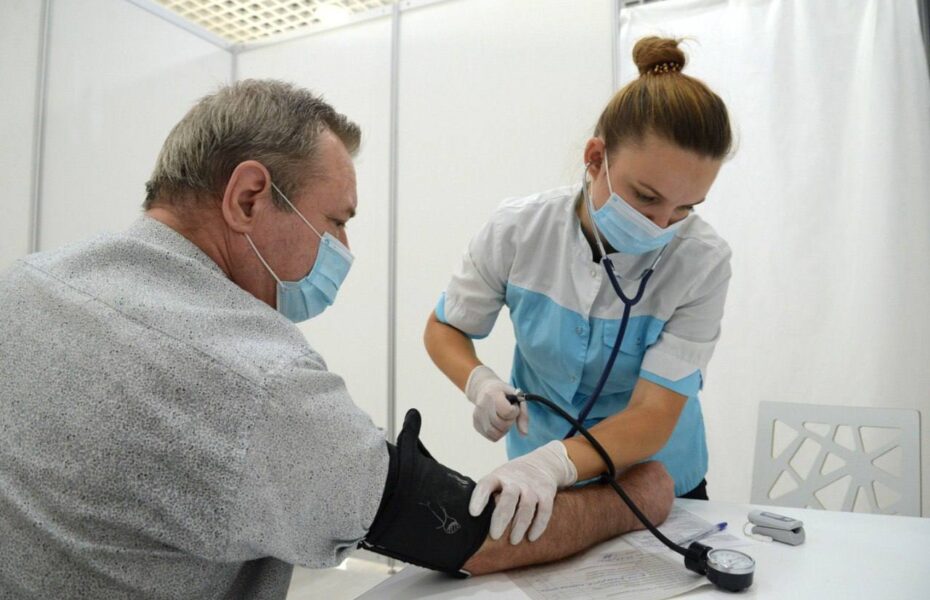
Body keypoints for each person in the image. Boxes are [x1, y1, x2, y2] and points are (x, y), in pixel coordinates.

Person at [0, 79, 674, 599]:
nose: (344, 250)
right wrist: (640, 497)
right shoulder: (255, 382)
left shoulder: (24, 286)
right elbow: (468, 533)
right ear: (248, 198)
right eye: (336, 221)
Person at [425, 36, 734, 545]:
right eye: (646, 197)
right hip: (544, 486)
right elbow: (445, 327)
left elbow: (654, 412)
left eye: (685, 208)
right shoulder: (519, 230)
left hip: (659, 483)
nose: (661, 224)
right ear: (595, 158)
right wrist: (479, 382)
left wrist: (555, 462)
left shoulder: (702, 261)